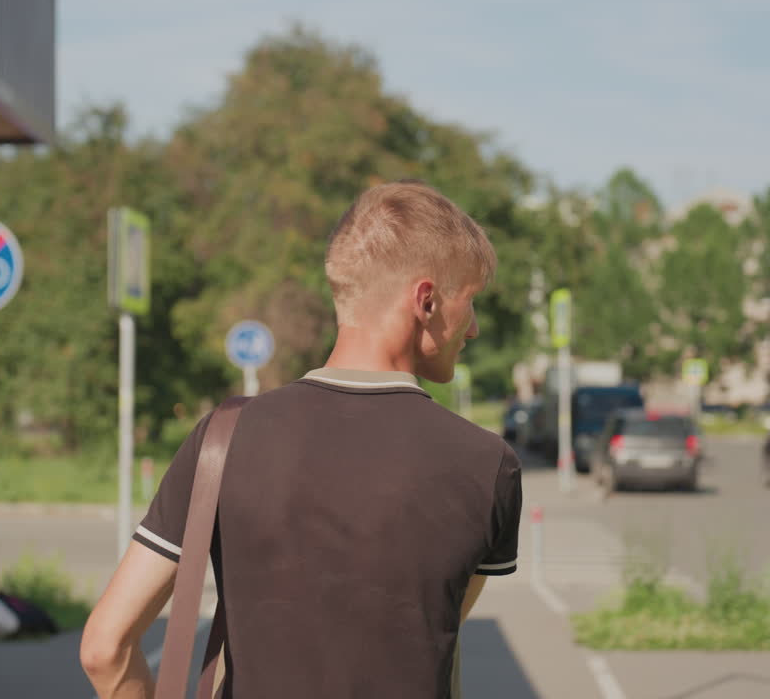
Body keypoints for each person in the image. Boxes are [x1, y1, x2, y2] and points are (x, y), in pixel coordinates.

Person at [80, 181, 523, 698]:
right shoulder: (486, 465)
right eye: (468, 304)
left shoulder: (223, 438)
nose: (471, 330)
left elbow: (104, 649)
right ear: (425, 300)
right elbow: (434, 634)